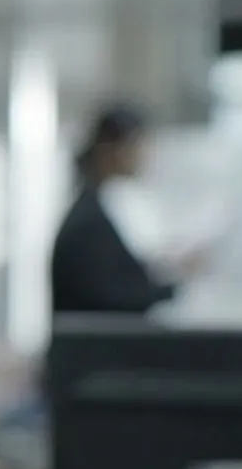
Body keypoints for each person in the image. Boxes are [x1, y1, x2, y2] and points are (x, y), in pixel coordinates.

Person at [51, 103, 208, 316]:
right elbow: (109, 297)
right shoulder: (88, 222)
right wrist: (170, 286)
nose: (145, 156)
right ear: (111, 149)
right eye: (138, 146)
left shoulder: (95, 210)